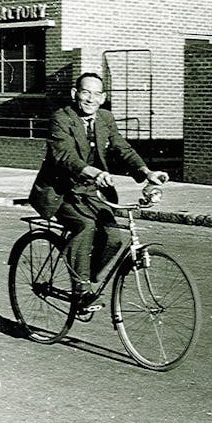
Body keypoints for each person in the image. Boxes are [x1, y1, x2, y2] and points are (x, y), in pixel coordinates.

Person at [29, 72, 168, 312]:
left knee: (114, 237)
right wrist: (94, 172)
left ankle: (85, 279)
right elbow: (64, 156)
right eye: (85, 92)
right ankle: (81, 290)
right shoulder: (61, 118)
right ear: (75, 94)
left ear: (103, 98)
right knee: (85, 226)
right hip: (61, 191)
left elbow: (121, 148)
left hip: (92, 192)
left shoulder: (105, 118)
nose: (90, 99)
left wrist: (146, 172)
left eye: (96, 94)